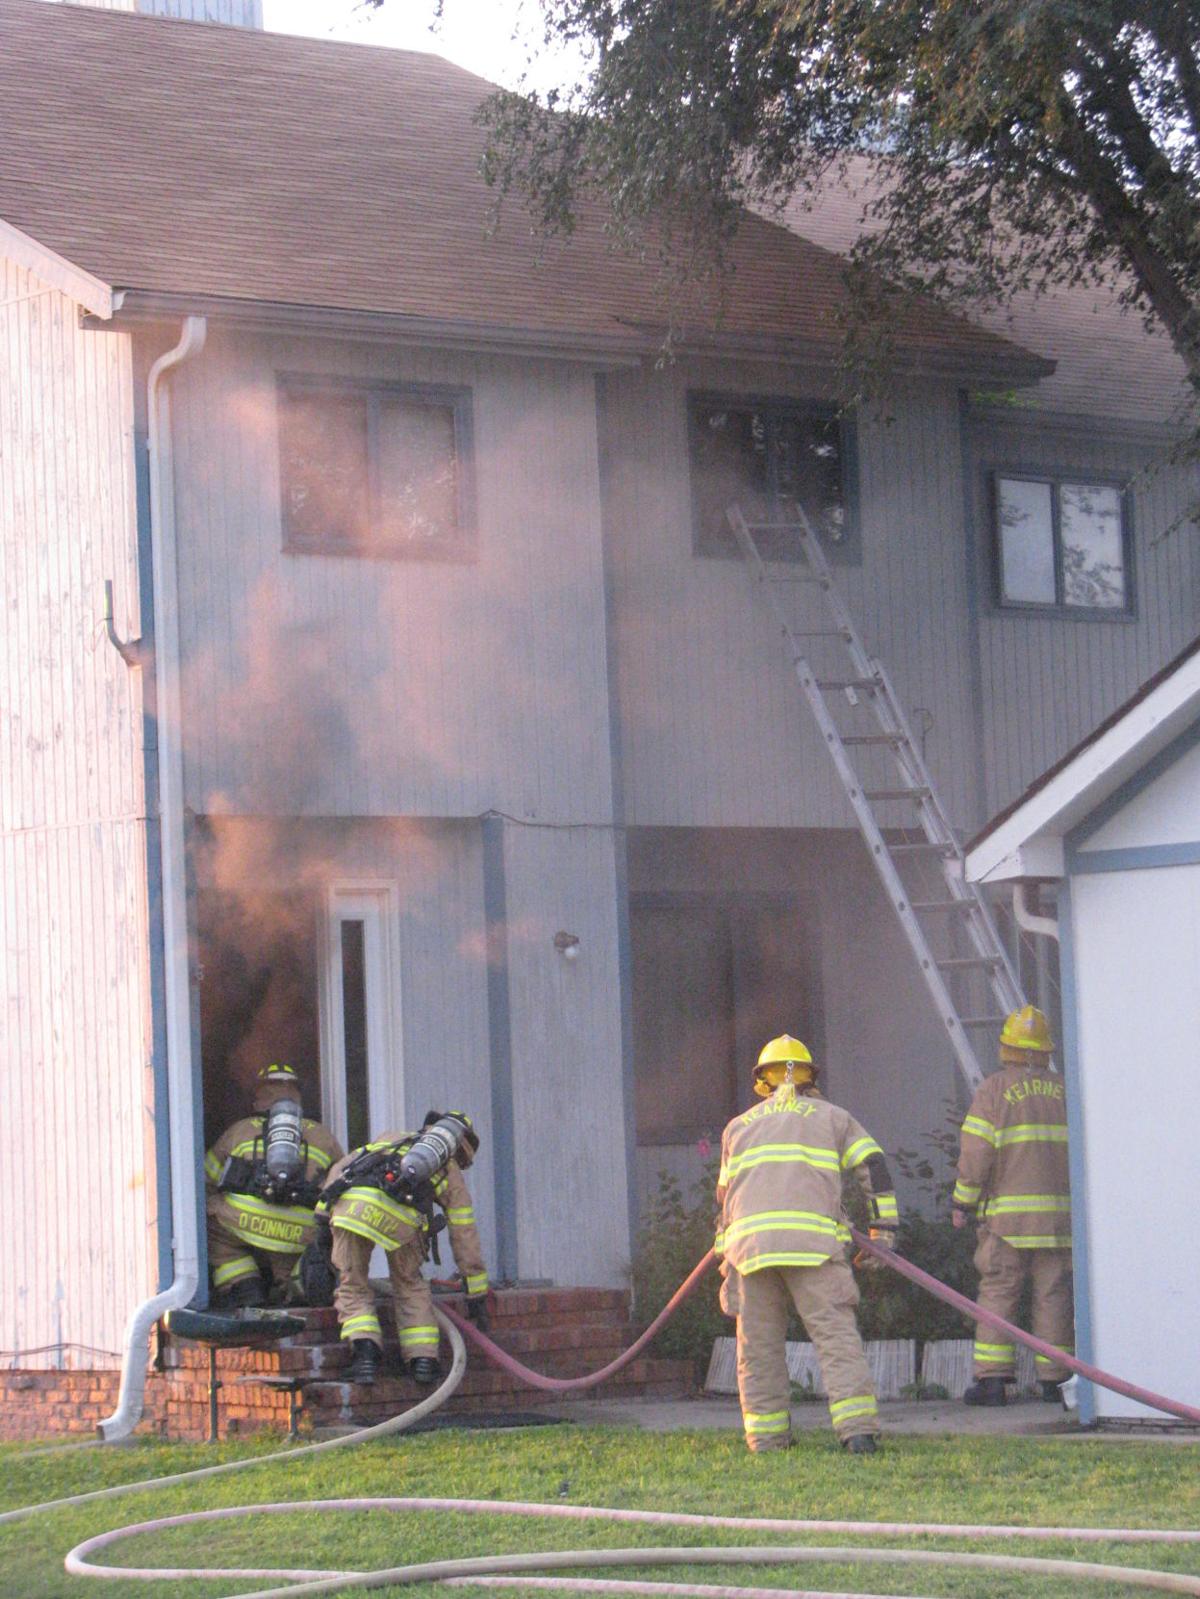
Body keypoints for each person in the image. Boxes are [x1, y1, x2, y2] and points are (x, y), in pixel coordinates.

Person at [716, 1034, 899, 1455]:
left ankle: (766, 1439)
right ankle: (858, 1435)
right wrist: (883, 1233)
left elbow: (723, 1199)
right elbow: (873, 1166)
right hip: (813, 1249)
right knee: (835, 1339)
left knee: (757, 1349)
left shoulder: (737, 1128)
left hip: (750, 1251)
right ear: (809, 1078)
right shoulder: (833, 1117)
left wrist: (724, 1252)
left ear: (763, 1080)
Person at [952, 1004, 1073, 1405]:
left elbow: (976, 1154)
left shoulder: (994, 1090)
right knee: (1052, 1295)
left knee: (999, 1292)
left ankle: (992, 1383)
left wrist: (962, 1202)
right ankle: (1055, 1382)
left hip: (1007, 1221)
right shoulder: (1064, 1091)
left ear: (1007, 1048)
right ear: (1044, 1049)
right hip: (1058, 1219)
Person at [318, 1110, 490, 1387]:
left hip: (352, 1209)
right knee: (410, 1285)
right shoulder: (448, 1166)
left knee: (353, 1284)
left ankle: (365, 1357)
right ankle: (424, 1362)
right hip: (404, 1222)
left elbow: (341, 1168)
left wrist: (321, 1217)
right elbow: (463, 1229)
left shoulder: (391, 1139)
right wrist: (476, 1289)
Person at [204, 1062, 343, 1310]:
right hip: (301, 1231)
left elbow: (207, 1180)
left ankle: (244, 1284)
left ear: (260, 1099)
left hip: (245, 1223)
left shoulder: (239, 1130)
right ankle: (291, 1285)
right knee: (301, 1251)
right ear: (299, 1097)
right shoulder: (324, 1136)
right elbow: (342, 1190)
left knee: (210, 1220)